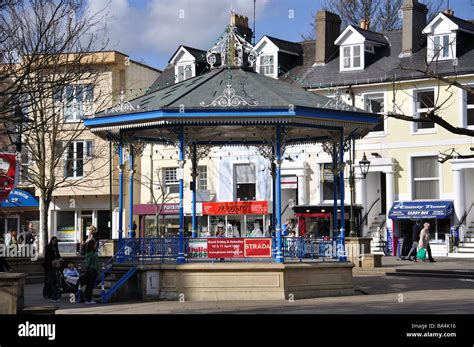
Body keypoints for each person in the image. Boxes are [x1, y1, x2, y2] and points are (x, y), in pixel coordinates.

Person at [83, 239, 100, 304]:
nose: (96, 245)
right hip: (93, 271)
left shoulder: (87, 254)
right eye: (95, 244)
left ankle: (86, 299)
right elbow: (97, 265)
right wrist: (99, 273)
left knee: (88, 285)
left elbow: (85, 262)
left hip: (88, 270)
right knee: (91, 286)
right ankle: (89, 299)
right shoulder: (95, 254)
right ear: (93, 245)